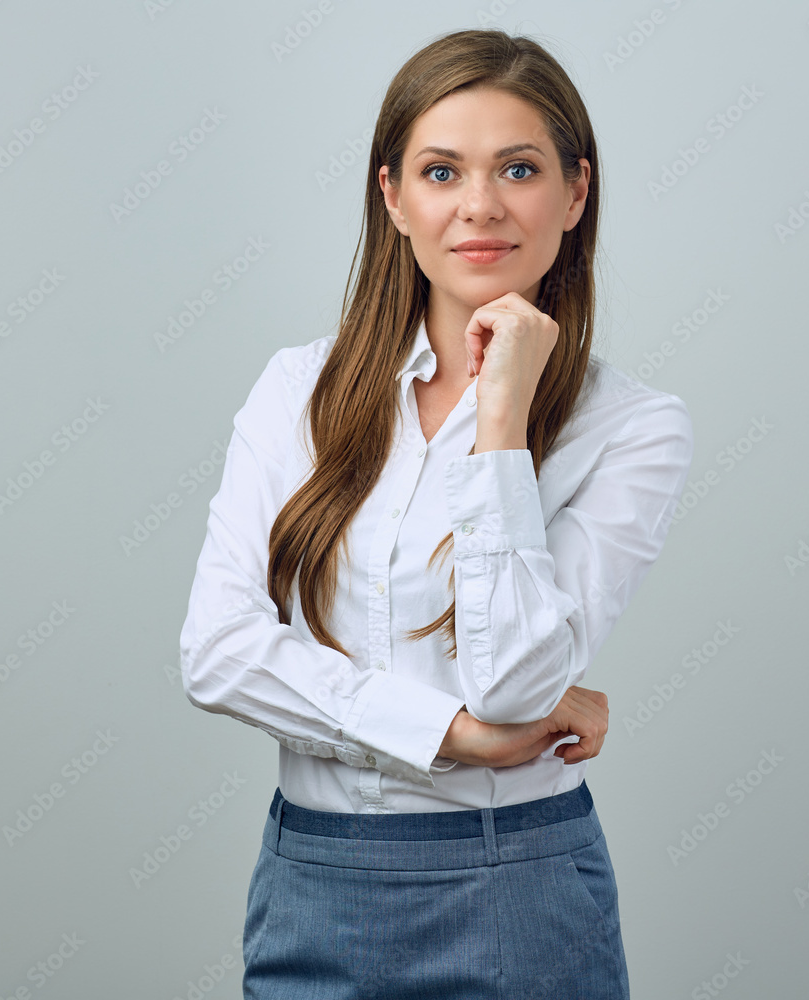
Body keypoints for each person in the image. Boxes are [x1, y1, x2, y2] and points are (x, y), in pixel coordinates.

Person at [179, 27, 693, 1000]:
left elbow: (511, 687)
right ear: (394, 197)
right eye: (442, 169)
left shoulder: (631, 428)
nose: (481, 205)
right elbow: (216, 651)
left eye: (519, 168)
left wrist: (499, 420)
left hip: (519, 887)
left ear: (575, 193)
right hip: (311, 882)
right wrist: (450, 733)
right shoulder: (298, 390)